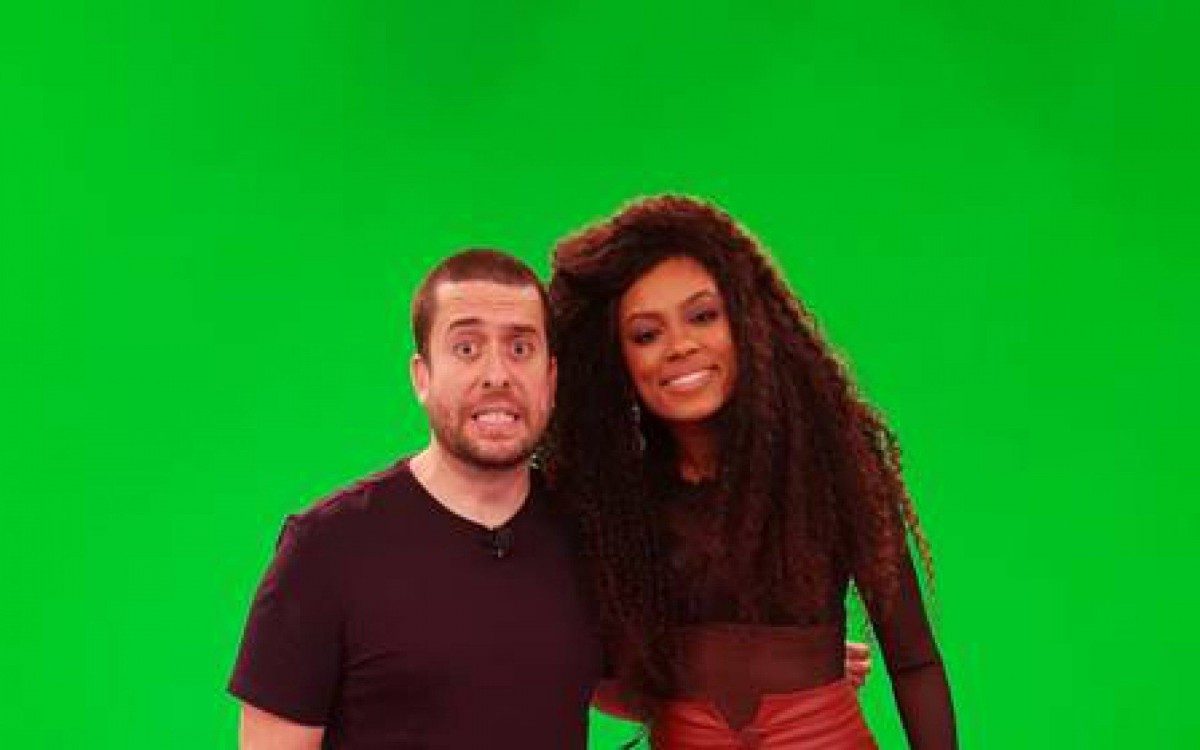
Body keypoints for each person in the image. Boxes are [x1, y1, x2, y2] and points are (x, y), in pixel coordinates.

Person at [547, 196, 957, 748]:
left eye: (703, 316)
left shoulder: (833, 469)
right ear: (614, 361)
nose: (681, 346)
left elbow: (914, 662)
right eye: (646, 334)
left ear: (747, 323)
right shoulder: (612, 506)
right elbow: (581, 670)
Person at [228, 250, 601, 749]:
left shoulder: (591, 538)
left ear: (550, 378)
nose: (497, 375)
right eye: (467, 348)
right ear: (422, 377)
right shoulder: (325, 549)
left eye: (520, 348)